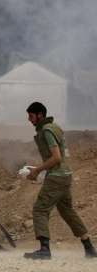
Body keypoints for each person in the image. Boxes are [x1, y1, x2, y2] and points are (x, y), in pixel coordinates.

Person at [23, 101, 96, 260]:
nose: (29, 119)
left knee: (40, 209)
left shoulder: (47, 130)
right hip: (64, 175)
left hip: (56, 176)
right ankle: (89, 247)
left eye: (31, 116)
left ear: (40, 115)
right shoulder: (54, 127)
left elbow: (56, 157)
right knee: (67, 211)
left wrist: (37, 170)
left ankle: (44, 249)